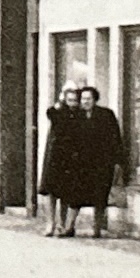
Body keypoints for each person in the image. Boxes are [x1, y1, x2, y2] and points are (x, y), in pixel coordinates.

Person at [39, 83, 99, 237]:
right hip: (56, 156)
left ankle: (62, 224)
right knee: (51, 191)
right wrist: (59, 102)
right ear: (64, 100)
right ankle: (50, 223)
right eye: (69, 100)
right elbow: (50, 112)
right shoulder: (58, 112)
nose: (72, 103)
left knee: (66, 192)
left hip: (72, 157)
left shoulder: (80, 116)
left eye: (74, 100)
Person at [80, 85, 131, 237]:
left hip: (102, 161)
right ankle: (70, 226)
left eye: (88, 98)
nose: (86, 102)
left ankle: (97, 226)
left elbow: (115, 138)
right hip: (83, 162)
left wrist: (117, 161)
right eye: (83, 99)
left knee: (100, 194)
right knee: (78, 194)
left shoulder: (106, 115)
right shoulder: (77, 116)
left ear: (94, 100)